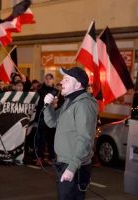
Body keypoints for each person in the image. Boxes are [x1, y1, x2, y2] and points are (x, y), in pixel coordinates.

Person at [43, 66, 98, 200]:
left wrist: (72, 167)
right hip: (64, 163)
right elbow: (52, 122)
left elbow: (85, 139)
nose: (62, 82)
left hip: (74, 165)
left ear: (78, 84)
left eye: (67, 79)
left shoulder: (83, 105)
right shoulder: (69, 101)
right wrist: (47, 106)